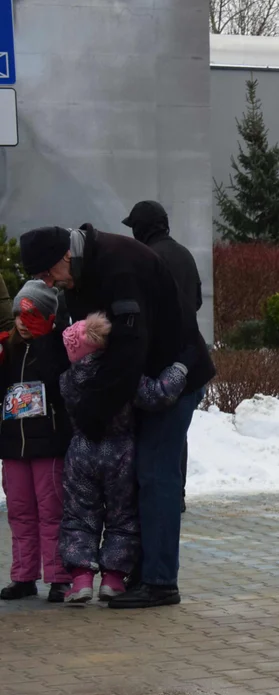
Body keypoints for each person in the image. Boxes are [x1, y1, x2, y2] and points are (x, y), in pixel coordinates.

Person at [18, 224, 215, 608]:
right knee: (142, 478)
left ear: (64, 257)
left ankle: (160, 582)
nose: (49, 283)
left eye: (47, 274)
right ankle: (141, 573)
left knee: (155, 475)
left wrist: (96, 410)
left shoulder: (117, 265)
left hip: (174, 376)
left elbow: (128, 347)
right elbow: (89, 346)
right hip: (143, 380)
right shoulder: (83, 271)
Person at [57, 313, 191, 603]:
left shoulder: (67, 380)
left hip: (80, 452)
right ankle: (113, 579)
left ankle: (80, 580)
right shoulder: (120, 375)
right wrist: (179, 369)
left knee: (79, 516)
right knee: (123, 517)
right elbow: (158, 395)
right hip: (119, 453)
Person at [122, 200, 205, 514]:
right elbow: (195, 300)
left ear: (142, 228)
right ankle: (177, 493)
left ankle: (161, 498)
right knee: (176, 433)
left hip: (158, 360)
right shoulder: (183, 253)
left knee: (156, 436)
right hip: (189, 357)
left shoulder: (148, 257)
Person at [0, 281, 72, 603]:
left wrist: (45, 341)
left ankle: (58, 576)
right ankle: (23, 576)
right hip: (14, 446)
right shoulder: (10, 349)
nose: (21, 323)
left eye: (30, 316)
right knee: (19, 512)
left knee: (51, 510)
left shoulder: (57, 347)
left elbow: (61, 388)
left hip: (48, 445)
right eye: (18, 315)